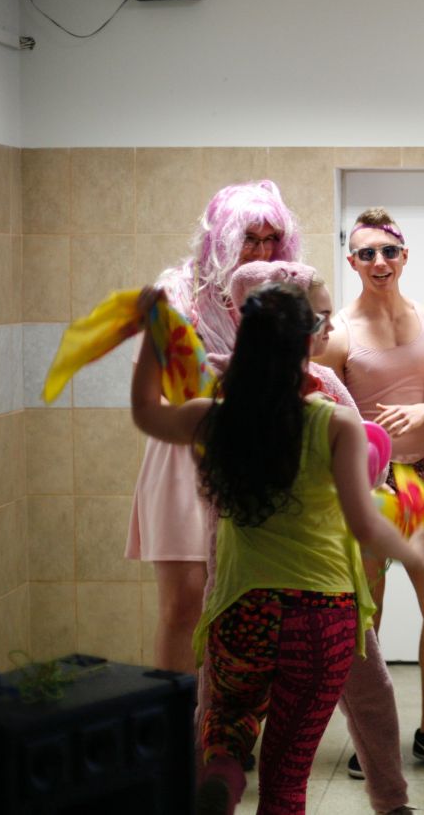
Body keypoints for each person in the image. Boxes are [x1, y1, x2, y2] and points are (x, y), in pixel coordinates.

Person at [130, 282, 424, 815]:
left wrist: (153, 332)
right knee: (287, 776)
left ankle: (223, 770)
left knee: (227, 720)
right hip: (321, 616)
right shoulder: (334, 422)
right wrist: (416, 552)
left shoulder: (214, 417)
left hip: (242, 610)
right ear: (308, 343)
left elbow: (146, 412)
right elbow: (365, 524)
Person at [223, 262, 413, 814]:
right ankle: (392, 803)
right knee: (366, 695)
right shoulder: (320, 396)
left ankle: (216, 778)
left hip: (240, 585)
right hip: (322, 589)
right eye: (321, 317)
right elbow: (369, 477)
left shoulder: (228, 391)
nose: (332, 327)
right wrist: (412, 543)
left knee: (225, 706)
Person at [316, 207, 424, 776]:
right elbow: (318, 412)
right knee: (368, 613)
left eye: (388, 251)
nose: (378, 261)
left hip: (419, 482)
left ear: (404, 256)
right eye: (366, 253)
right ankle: (371, 738)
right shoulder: (338, 334)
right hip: (361, 487)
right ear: (353, 261)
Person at [125, 180, 300, 674]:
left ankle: (230, 719)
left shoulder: (276, 298)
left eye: (270, 240)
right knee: (184, 605)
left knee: (247, 608)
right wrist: (209, 411)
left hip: (255, 458)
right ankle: (179, 720)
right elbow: (152, 396)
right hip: (185, 453)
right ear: (222, 238)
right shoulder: (177, 295)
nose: (260, 251)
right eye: (249, 239)